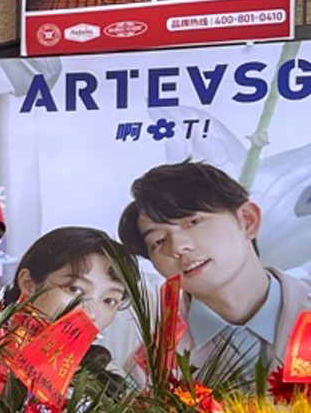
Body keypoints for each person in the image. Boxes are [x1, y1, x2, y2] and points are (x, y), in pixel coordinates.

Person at [118, 160, 311, 380]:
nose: (179, 247)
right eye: (159, 241)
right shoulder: (149, 369)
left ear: (248, 220)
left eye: (192, 222)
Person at [4, 226, 130, 334]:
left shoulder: (102, 363)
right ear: (29, 285)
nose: (90, 315)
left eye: (109, 301)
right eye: (75, 289)